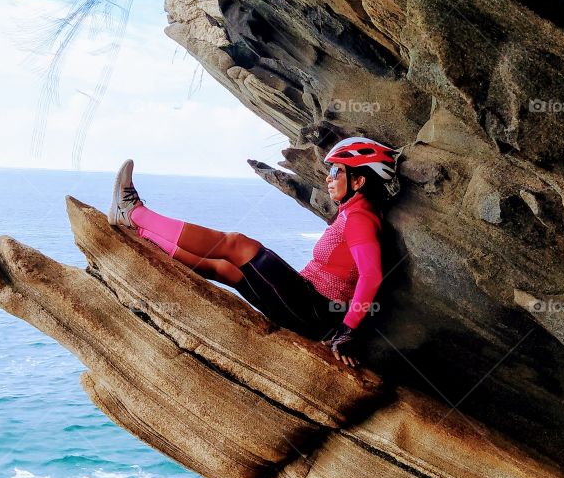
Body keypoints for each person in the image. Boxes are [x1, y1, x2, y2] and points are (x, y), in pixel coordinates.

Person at [107, 138, 401, 367]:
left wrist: (348, 331)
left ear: (359, 181)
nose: (328, 177)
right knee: (226, 270)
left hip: (316, 311)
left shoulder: (361, 218)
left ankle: (134, 213)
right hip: (308, 305)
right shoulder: (353, 212)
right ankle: (143, 232)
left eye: (336, 171)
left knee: (236, 244)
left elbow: (372, 275)